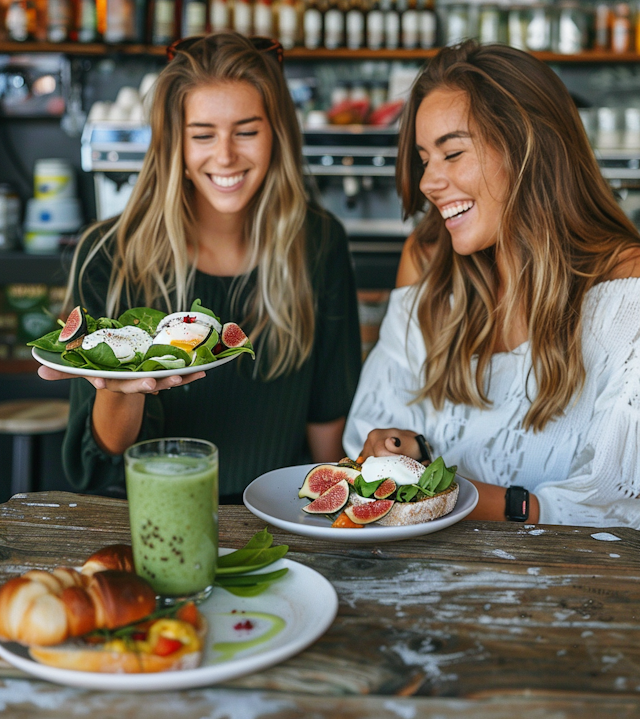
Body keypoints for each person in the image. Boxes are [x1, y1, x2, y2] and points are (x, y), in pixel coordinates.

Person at [41, 32, 362, 502]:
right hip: (145, 515)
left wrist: (327, 516)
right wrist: (120, 390)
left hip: (279, 516)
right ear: (175, 142)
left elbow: (327, 413)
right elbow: (100, 462)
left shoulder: (318, 243)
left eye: (247, 131)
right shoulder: (108, 254)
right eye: (203, 134)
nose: (226, 155)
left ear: (277, 133)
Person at [343, 40, 640, 528]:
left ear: (528, 147)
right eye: (424, 159)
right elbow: (365, 444)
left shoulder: (625, 292)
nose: (427, 183)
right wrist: (406, 447)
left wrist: (458, 498)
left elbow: (617, 508)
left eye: (452, 153)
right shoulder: (429, 263)